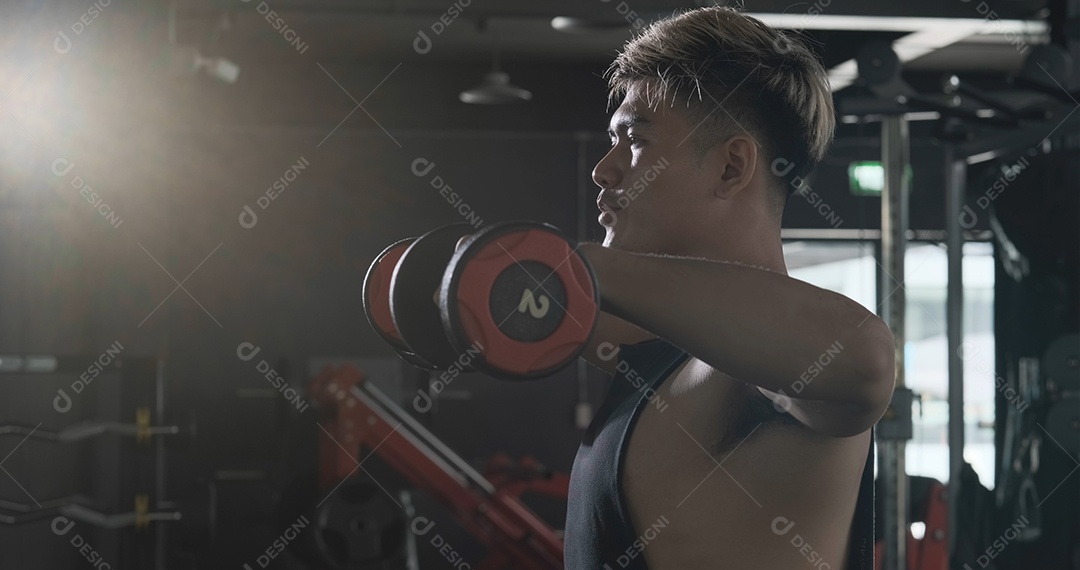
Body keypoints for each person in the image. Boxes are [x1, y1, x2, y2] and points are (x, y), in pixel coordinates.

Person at [567, 6, 896, 569]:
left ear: (730, 168)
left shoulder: (766, 369)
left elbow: (865, 362)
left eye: (634, 139)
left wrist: (580, 268)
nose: (604, 169)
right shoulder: (659, 346)